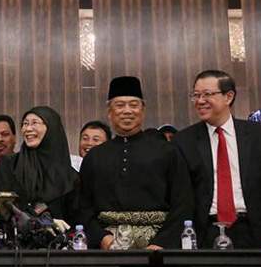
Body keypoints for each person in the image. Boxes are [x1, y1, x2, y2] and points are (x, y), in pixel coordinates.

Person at [173, 70, 261, 249]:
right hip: (204, 234)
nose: (200, 101)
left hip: (252, 231)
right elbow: (181, 198)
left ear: (228, 97)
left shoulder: (260, 136)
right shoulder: (184, 140)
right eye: (196, 95)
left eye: (207, 94)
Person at [77, 76, 194, 249]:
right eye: (120, 105)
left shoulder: (167, 152)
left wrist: (160, 243)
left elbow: (183, 203)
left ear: (143, 110)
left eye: (133, 105)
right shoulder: (94, 156)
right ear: (109, 112)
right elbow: (83, 206)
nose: (127, 111)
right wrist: (103, 239)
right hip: (107, 248)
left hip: (158, 249)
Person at [0, 106, 76, 220]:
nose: (28, 129)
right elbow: (2, 208)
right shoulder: (9, 164)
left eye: (34, 123)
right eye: (25, 124)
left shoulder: (70, 176)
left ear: (52, 128)